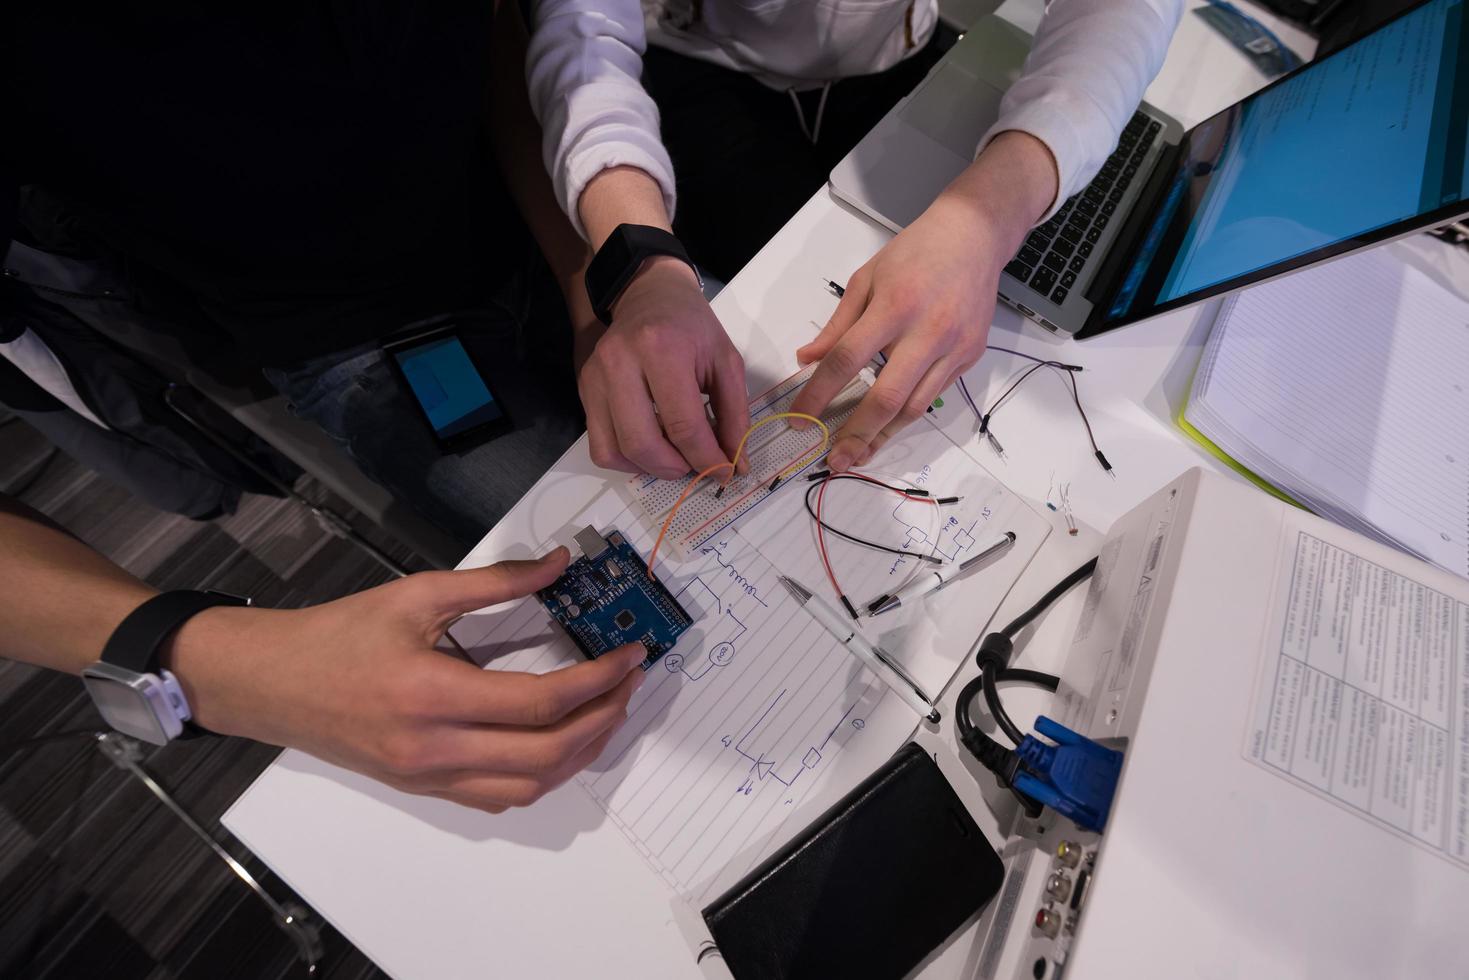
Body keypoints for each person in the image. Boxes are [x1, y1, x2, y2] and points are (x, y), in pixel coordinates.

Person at [527, 0, 1183, 475]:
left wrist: (991, 214)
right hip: (690, 62)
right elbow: (581, 34)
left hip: (900, 55)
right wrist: (642, 263)